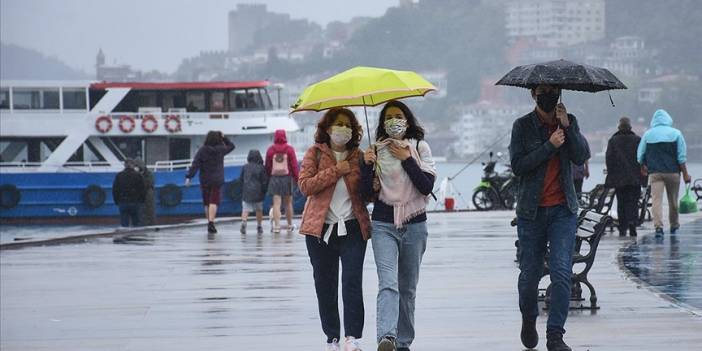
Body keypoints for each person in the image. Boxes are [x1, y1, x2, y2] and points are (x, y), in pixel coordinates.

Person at [509, 84, 590, 351]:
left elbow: (581, 156)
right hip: (531, 212)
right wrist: (549, 146)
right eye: (543, 91)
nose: (548, 95)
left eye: (553, 91)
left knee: (561, 272)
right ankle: (529, 318)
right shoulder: (522, 126)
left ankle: (555, 335)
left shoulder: (569, 122)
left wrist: (567, 127)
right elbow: (519, 166)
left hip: (562, 210)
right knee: (529, 275)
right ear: (533, 94)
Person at [360, 100, 436, 351]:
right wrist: (366, 166)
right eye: (389, 117)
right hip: (383, 223)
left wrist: (407, 159)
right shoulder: (376, 149)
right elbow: (364, 194)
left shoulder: (420, 147)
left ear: (407, 119)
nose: (394, 121)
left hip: (415, 224)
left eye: (399, 116)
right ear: (382, 123)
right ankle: (387, 337)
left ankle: (403, 342)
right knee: (388, 283)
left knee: (408, 288)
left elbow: (426, 186)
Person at [298, 108, 371, 351]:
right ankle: (332, 338)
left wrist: (373, 171)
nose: (344, 129)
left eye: (349, 125)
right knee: (325, 285)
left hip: (352, 228)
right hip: (320, 231)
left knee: (352, 281)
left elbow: (368, 193)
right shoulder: (314, 154)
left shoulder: (358, 157)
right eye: (339, 124)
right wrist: (335, 171)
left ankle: (352, 337)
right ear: (328, 128)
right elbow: (305, 186)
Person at [637, 109, 692, 237]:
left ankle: (658, 227)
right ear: (668, 119)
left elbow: (640, 154)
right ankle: (674, 224)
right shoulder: (676, 134)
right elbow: (681, 157)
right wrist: (685, 174)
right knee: (673, 200)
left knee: (657, 200)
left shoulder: (648, 134)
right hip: (673, 173)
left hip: (655, 173)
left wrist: (643, 166)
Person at [185, 131, 236, 234]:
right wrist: (224, 138)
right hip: (217, 179)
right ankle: (211, 223)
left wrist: (189, 177)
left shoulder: (202, 150)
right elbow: (232, 146)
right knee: (214, 201)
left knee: (207, 202)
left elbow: (195, 164)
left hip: (205, 179)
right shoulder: (220, 149)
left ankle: (209, 221)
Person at [605, 117, 642, 236]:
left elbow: (609, 159)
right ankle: (632, 223)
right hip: (635, 178)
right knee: (633, 202)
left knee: (621, 202)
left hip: (619, 179)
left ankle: (622, 227)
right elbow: (641, 157)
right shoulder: (637, 140)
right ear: (630, 127)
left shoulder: (613, 141)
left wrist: (611, 174)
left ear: (619, 127)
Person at [265, 129, 299, 233]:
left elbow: (267, 166)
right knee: (288, 203)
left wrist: (268, 177)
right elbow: (294, 166)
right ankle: (289, 225)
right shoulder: (289, 149)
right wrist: (297, 179)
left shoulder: (270, 150)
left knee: (276, 203)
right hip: (287, 178)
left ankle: (277, 226)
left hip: (274, 178)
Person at [239, 149, 268, 234]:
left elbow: (241, 179)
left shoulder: (245, 167)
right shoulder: (261, 167)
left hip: (246, 191)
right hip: (258, 192)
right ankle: (259, 226)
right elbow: (264, 181)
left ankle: (244, 222)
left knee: (245, 209)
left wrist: (242, 189)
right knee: (259, 209)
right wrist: (264, 191)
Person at [112, 159, 146, 227]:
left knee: (124, 224)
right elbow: (143, 189)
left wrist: (116, 201)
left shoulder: (119, 175)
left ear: (124, 165)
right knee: (136, 223)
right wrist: (142, 201)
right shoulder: (138, 175)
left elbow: (115, 190)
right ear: (133, 165)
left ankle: (125, 236)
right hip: (135, 202)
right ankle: (136, 236)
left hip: (123, 202)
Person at [135, 159, 156, 226]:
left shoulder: (148, 173)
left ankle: (151, 225)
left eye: (137, 166)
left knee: (149, 211)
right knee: (140, 211)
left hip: (148, 193)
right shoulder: (135, 174)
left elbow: (149, 183)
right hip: (139, 194)